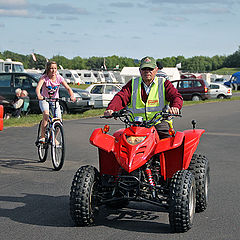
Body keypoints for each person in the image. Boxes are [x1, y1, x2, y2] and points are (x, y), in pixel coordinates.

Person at [104, 56, 183, 139]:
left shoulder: (163, 83)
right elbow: (121, 96)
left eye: (150, 69)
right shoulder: (133, 83)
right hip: (136, 125)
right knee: (122, 144)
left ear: (156, 70)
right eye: (144, 69)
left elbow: (176, 96)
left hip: (159, 123)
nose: (147, 71)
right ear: (140, 70)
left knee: (168, 144)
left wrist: (175, 107)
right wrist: (111, 109)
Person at [36, 61, 76, 143]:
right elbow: (38, 88)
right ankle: (43, 136)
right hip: (45, 100)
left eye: (55, 68)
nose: (53, 70)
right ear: (48, 69)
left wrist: (72, 95)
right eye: (51, 68)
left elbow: (68, 88)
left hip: (55, 100)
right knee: (46, 116)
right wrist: (39, 95)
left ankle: (53, 138)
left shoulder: (59, 78)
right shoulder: (44, 78)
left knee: (58, 120)